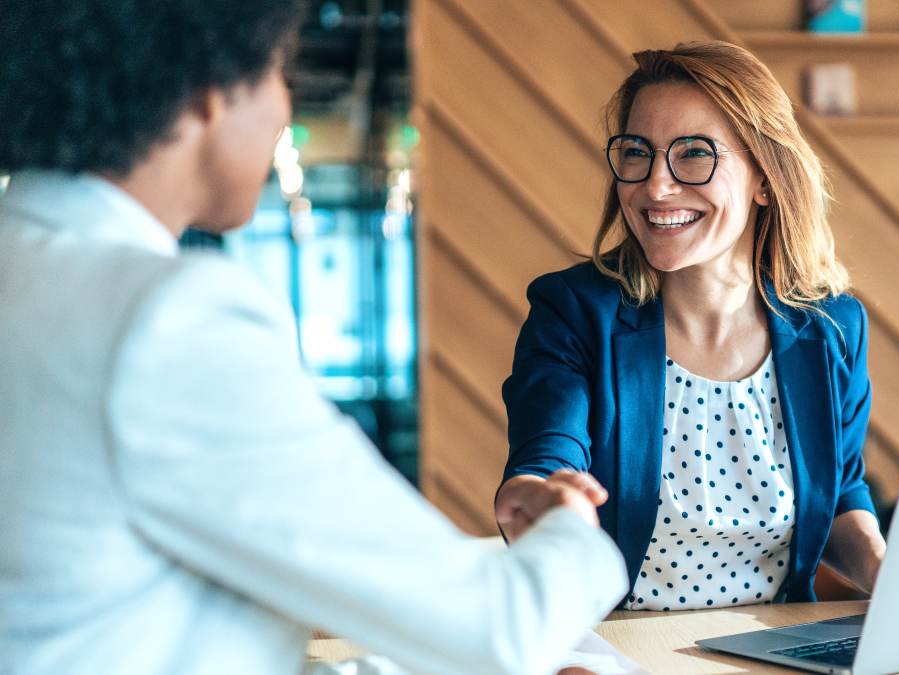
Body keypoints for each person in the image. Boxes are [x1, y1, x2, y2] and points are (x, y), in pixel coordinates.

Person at [0, 2, 626, 674]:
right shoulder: (166, 318)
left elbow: (126, 627)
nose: (283, 108)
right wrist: (571, 526)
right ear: (208, 94)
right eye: (277, 70)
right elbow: (505, 628)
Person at [495, 41, 886, 610]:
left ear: (765, 178)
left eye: (694, 154)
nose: (655, 186)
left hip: (775, 648)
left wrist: (886, 571)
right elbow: (544, 459)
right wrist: (538, 499)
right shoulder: (574, 311)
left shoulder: (833, 327)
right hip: (619, 649)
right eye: (637, 153)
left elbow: (842, 489)